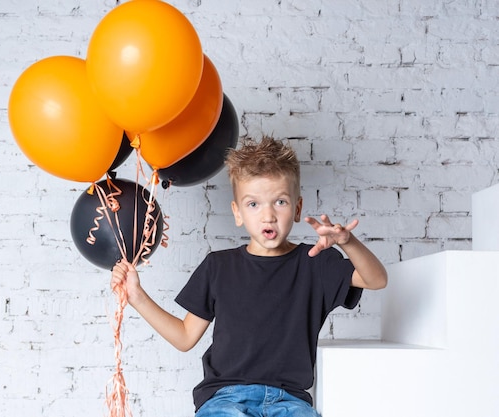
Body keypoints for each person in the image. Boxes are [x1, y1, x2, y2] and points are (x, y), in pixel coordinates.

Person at [111, 136, 388, 417]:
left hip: (290, 402)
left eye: (279, 201)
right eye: (253, 204)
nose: (268, 215)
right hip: (224, 398)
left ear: (297, 208)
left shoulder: (315, 263)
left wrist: (347, 242)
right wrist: (137, 296)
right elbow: (184, 337)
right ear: (238, 213)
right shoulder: (218, 266)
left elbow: (376, 280)